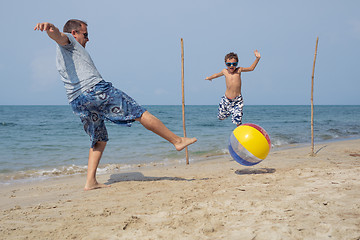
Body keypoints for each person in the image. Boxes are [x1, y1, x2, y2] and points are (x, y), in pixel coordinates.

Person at [34, 20, 197, 191]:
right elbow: (59, 36)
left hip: (77, 101)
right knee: (139, 112)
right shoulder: (70, 41)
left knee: (99, 139)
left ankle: (90, 181)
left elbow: (59, 39)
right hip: (96, 91)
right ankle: (177, 141)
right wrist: (51, 29)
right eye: (86, 34)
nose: (88, 39)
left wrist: (52, 32)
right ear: (74, 33)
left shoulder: (63, 55)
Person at [205, 51, 261, 126]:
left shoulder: (239, 70)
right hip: (226, 99)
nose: (231, 66)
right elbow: (216, 75)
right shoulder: (225, 71)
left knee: (238, 120)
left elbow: (251, 68)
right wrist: (209, 78)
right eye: (229, 64)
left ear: (237, 63)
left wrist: (257, 58)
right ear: (225, 64)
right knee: (220, 117)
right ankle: (230, 112)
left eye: (234, 64)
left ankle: (239, 131)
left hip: (237, 100)